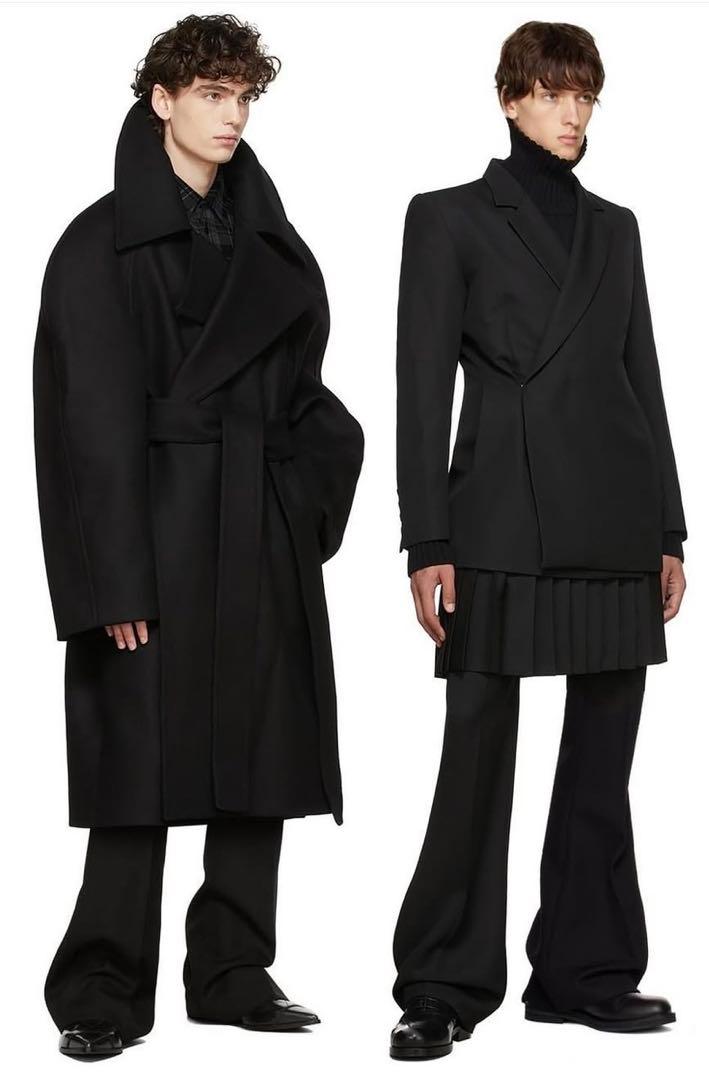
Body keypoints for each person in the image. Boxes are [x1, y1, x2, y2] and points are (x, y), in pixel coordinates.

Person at [32, 14, 364, 1060]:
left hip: (254, 527)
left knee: (257, 756)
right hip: (154, 537)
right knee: (137, 771)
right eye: (212, 94)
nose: (232, 116)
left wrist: (302, 497)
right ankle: (101, 986)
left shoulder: (272, 240)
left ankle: (231, 971)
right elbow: (82, 425)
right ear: (162, 100)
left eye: (244, 96)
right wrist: (111, 583)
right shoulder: (99, 243)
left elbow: (307, 392)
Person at [388, 20, 687, 1062]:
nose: (573, 113)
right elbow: (420, 388)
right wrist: (425, 538)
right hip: (497, 517)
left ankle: (584, 972)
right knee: (476, 754)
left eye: (585, 95)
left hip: (614, 515)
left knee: (603, 762)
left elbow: (642, 376)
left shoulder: (617, 228)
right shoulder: (447, 217)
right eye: (554, 93)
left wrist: (669, 527)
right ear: (511, 98)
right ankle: (441, 983)